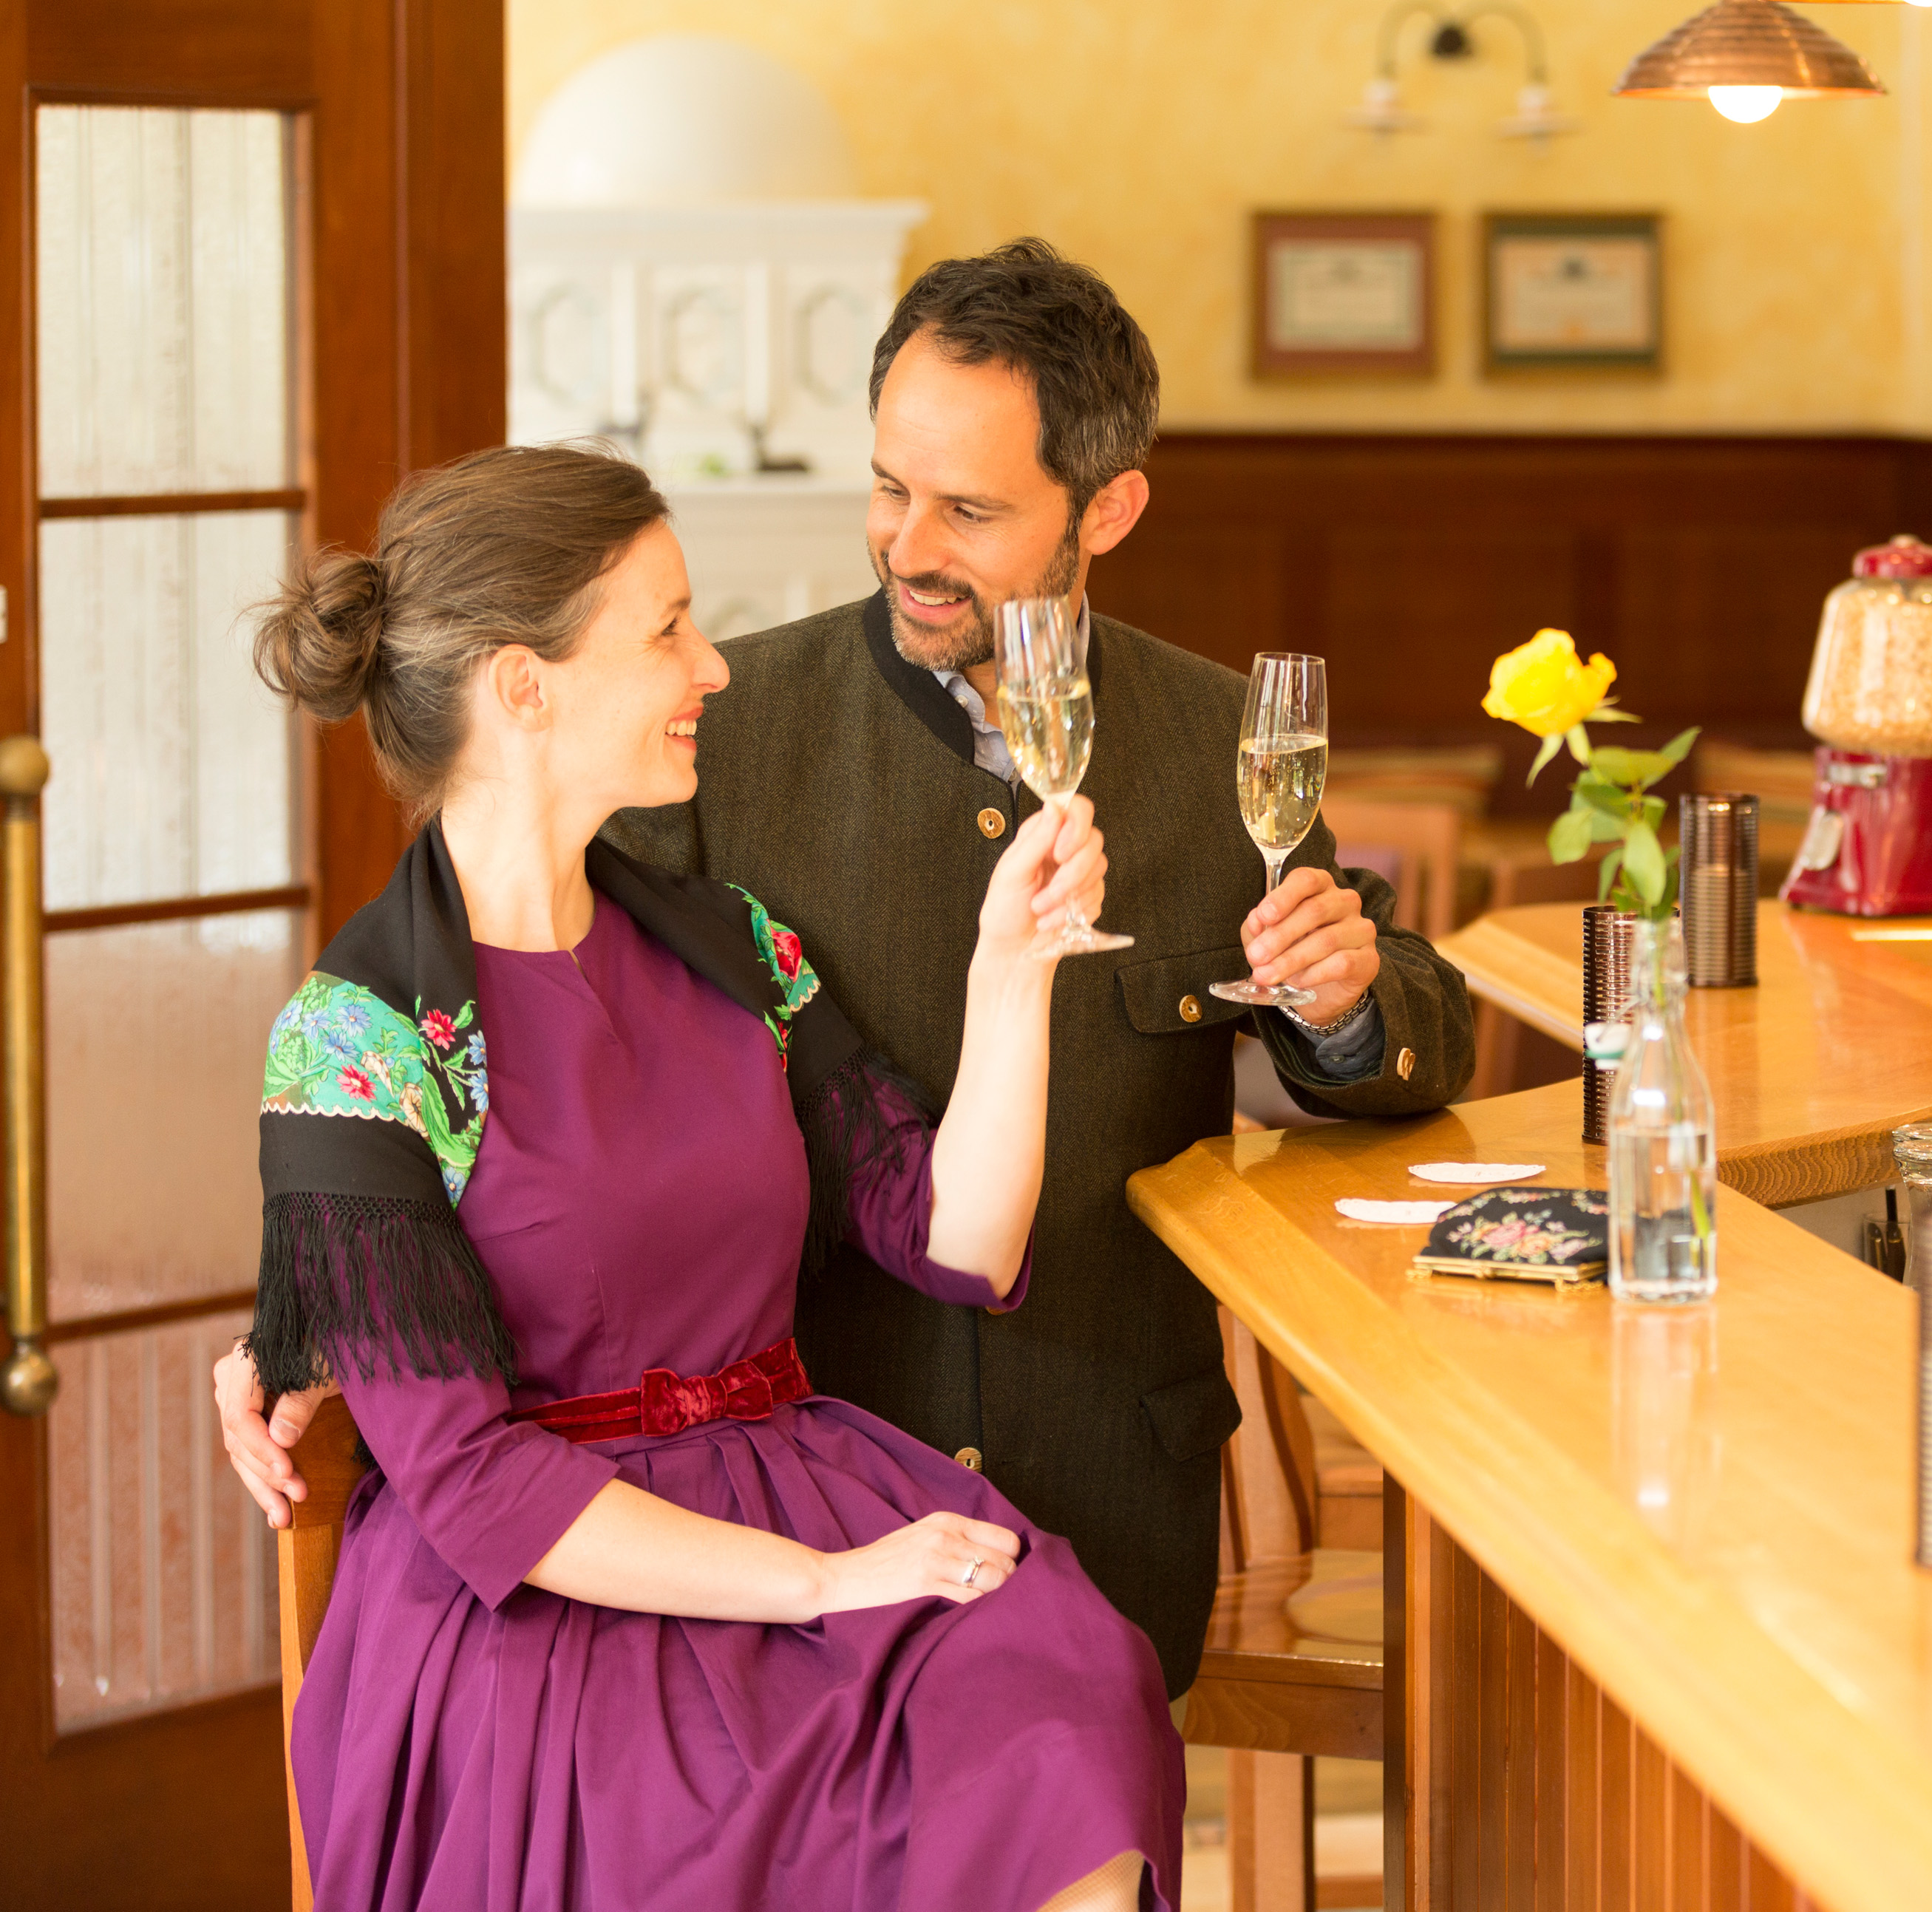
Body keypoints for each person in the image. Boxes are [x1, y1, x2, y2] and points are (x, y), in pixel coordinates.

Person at [220, 240, 1477, 1694]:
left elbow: (1416, 1031)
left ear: (1108, 507)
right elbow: (505, 1070)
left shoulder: (1219, 744)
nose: (907, 544)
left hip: (1112, 1486)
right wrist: (311, 1316)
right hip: (784, 1519)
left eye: (970, 509)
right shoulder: (723, 730)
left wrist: (1344, 1001)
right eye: (888, 487)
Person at [246, 443, 1178, 1911]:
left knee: (1059, 1706)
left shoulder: (734, 947)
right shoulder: (353, 1040)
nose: (714, 668)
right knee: (709, 1829)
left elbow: (961, 1240)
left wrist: (1012, 969)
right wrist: (826, 1583)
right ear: (524, 686)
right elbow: (477, 1487)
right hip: (551, 1606)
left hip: (798, 1495)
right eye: (667, 628)